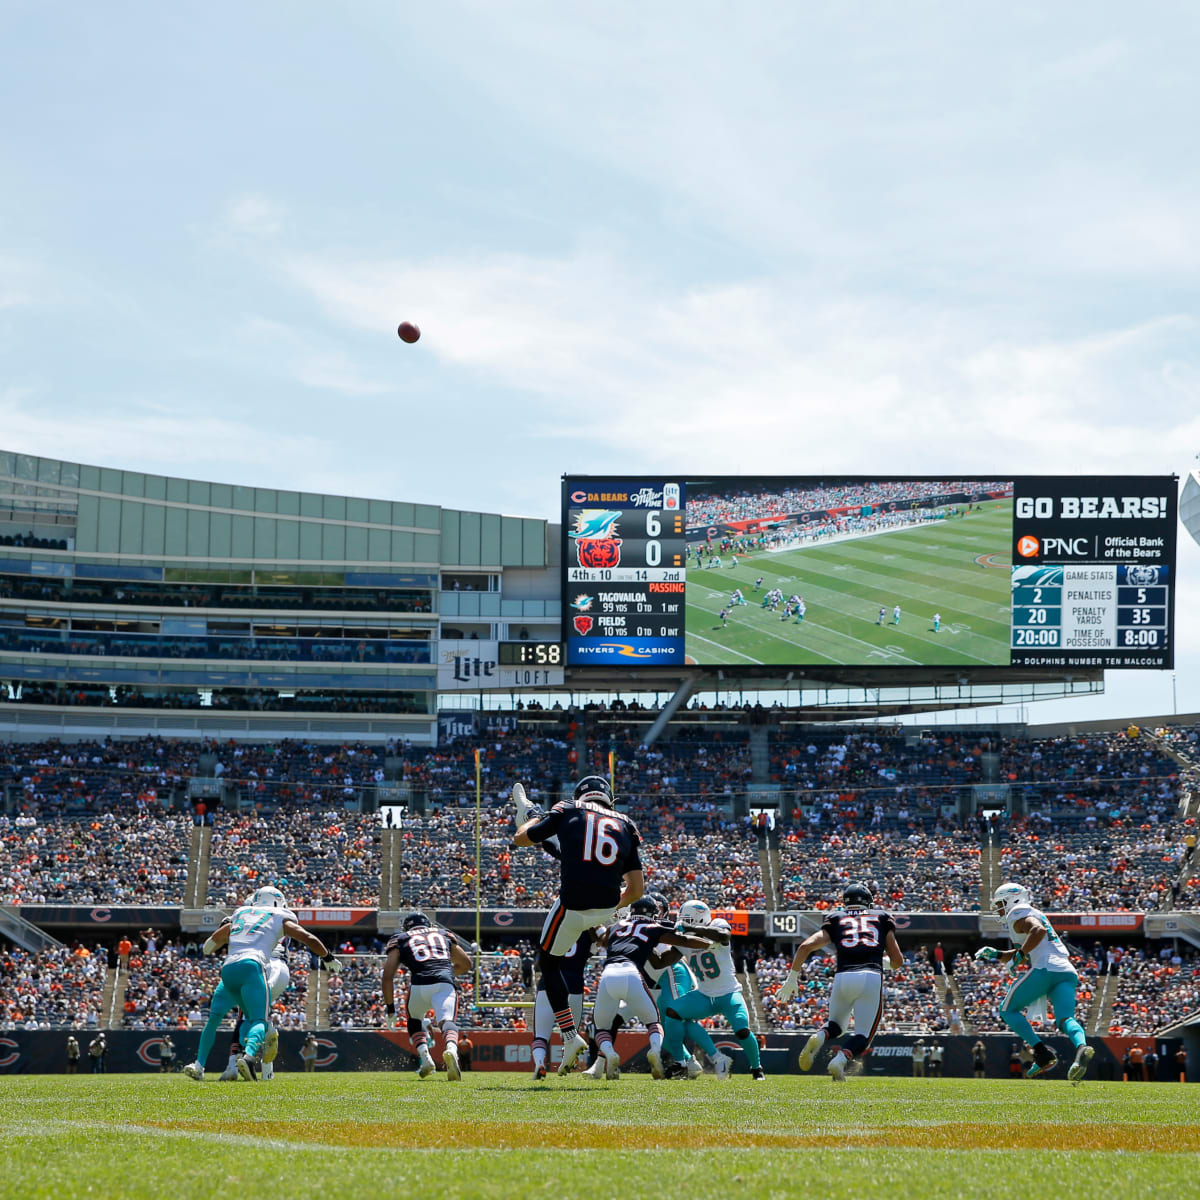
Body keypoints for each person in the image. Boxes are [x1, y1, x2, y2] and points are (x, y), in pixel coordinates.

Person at [513, 776, 643, 1074]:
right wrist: (612, 907)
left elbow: (520, 839)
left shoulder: (569, 807)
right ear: (608, 798)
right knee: (563, 845)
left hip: (574, 905)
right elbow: (636, 890)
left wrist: (528, 822)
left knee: (547, 963)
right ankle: (532, 812)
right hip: (608, 906)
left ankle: (571, 1037)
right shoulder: (626, 822)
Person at [183, 885, 338, 1082]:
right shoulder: (280, 915)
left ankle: (204, 1064)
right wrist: (328, 956)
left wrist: (219, 936)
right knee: (257, 1019)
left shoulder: (242, 913)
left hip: (230, 967)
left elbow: (210, 944)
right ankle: (257, 1063)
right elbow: (307, 937)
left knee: (226, 1017)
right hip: (262, 965)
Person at [588, 897, 723, 1081]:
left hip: (670, 976)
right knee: (621, 1019)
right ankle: (600, 1064)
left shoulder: (654, 926)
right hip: (647, 983)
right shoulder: (633, 927)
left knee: (671, 1020)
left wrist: (591, 922)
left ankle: (692, 1061)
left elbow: (670, 951)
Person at [780, 882, 902, 1082]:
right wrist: (882, 962)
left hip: (842, 977)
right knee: (864, 1034)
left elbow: (804, 946)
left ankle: (820, 1036)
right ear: (868, 903)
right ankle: (840, 1059)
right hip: (870, 976)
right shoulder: (881, 917)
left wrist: (792, 978)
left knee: (837, 1024)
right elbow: (897, 961)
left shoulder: (837, 918)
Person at [975, 882, 1093, 1083]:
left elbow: (1037, 932)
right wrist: (997, 954)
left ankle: (1041, 1052)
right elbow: (1030, 946)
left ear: (1013, 899)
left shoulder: (1018, 911)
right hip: (1066, 970)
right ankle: (1081, 1047)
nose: (999, 909)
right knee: (1065, 1020)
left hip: (1046, 969)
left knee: (1007, 1010)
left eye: (1001, 903)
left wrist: (1020, 954)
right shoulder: (1032, 913)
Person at [661, 900, 766, 1081]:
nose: (684, 922)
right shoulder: (685, 940)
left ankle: (757, 1068)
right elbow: (662, 961)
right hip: (704, 995)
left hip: (729, 993)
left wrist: (688, 928)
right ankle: (680, 1063)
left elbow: (723, 935)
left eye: (687, 919)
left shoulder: (717, 926)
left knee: (742, 1030)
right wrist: (652, 940)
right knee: (672, 1012)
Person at [640, 892, 728, 1081]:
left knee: (678, 1019)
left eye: (657, 909)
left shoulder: (662, 926)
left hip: (674, 973)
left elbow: (678, 947)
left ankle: (699, 1060)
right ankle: (691, 1061)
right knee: (664, 1025)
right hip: (661, 979)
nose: (649, 913)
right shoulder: (639, 927)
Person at [382, 911, 473, 1081]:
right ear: (428, 924)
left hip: (419, 985)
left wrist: (390, 1009)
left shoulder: (400, 938)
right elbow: (466, 963)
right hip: (444, 982)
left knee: (414, 1020)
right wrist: (447, 973)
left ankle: (425, 1059)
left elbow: (387, 976)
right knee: (447, 1021)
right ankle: (452, 1050)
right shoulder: (442, 933)